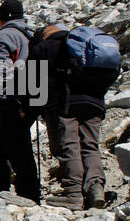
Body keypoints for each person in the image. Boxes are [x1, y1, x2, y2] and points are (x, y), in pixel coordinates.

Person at [31, 24, 106, 209]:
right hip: (95, 101)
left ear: (43, 35)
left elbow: (33, 85)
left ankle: (73, 194)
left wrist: (32, 109)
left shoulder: (44, 47)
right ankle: (95, 187)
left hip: (64, 104)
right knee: (90, 144)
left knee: (69, 145)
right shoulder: (82, 45)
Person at [0, 0, 39, 202]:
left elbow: (1, 67)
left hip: (13, 98)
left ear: (2, 17)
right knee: (14, 143)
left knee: (10, 148)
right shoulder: (30, 35)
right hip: (32, 97)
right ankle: (21, 192)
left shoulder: (6, 34)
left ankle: (15, 193)